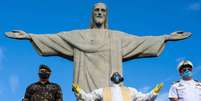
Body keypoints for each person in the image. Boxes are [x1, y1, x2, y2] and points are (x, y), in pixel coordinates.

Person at [5, 3, 191, 93]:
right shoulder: (78, 36)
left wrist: (165, 37)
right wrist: (30, 36)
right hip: (85, 89)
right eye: (96, 10)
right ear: (92, 14)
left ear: (106, 15)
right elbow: (56, 38)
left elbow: (140, 42)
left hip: (112, 90)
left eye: (103, 10)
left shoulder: (116, 37)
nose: (100, 13)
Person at [72, 72, 164, 101]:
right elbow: (89, 98)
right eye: (115, 76)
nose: (116, 77)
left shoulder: (130, 90)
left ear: (121, 80)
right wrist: (79, 91)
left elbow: (145, 98)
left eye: (118, 76)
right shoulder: (103, 90)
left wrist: (154, 92)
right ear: (111, 80)